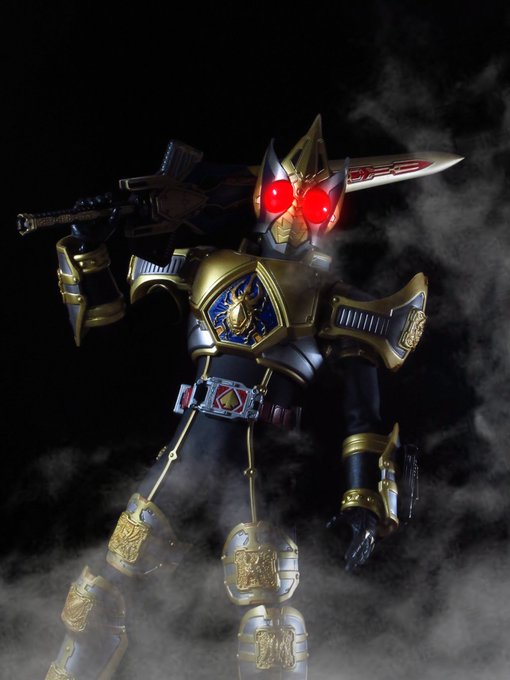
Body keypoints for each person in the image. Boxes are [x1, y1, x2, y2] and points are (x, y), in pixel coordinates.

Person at [42, 116, 460, 680]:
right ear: (263, 196)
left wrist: (364, 504)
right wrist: (88, 246)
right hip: (183, 459)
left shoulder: (335, 300)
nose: (293, 215)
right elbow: (106, 317)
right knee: (97, 595)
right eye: (284, 197)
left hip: (257, 473)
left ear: (332, 213)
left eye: (313, 205)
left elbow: (364, 416)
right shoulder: (205, 266)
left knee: (270, 624)